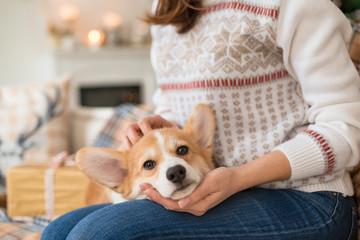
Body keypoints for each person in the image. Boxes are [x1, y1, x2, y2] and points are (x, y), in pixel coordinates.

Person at [41, 0, 360, 239]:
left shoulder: (293, 4)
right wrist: (157, 126)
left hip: (308, 198)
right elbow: (173, 101)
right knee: (57, 232)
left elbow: (347, 128)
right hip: (211, 190)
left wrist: (238, 177)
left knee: (98, 234)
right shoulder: (166, 7)